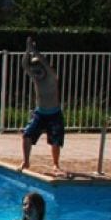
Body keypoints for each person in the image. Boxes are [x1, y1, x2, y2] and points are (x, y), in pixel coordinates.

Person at [19, 36, 66, 174]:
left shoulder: (52, 76)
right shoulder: (35, 78)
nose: (36, 74)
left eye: (39, 70)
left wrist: (35, 51)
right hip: (40, 113)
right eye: (34, 71)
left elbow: (45, 63)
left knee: (55, 141)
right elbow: (24, 65)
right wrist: (28, 51)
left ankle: (56, 165)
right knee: (26, 135)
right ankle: (26, 161)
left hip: (54, 114)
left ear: (44, 69)